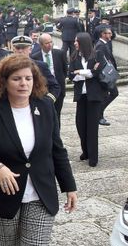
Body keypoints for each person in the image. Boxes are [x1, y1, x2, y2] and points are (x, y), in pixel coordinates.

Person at [0, 53, 78, 246]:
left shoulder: (46, 107)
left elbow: (57, 149)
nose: (24, 83)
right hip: (4, 196)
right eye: (17, 79)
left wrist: (70, 186)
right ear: (4, 81)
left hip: (40, 194)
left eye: (28, 78)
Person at [69, 32, 108, 167]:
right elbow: (71, 75)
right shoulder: (74, 56)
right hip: (81, 95)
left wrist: (80, 72)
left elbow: (97, 73)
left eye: (76, 41)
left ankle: (93, 156)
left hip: (94, 96)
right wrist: (86, 72)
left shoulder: (97, 54)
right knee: (80, 125)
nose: (74, 43)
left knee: (92, 127)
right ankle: (85, 151)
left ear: (83, 42)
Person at [31, 33, 68, 125]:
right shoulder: (35, 57)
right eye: (47, 43)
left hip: (58, 89)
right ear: (41, 44)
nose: (50, 44)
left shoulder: (59, 54)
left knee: (57, 114)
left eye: (51, 42)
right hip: (43, 90)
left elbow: (64, 70)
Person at [11, 35, 60, 102]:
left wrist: (48, 101)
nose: (20, 51)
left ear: (30, 50)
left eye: (23, 48)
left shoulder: (40, 66)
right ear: (13, 50)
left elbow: (55, 87)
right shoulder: (7, 67)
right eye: (17, 48)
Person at [96, 27, 118, 126]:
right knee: (113, 93)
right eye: (108, 33)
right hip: (105, 75)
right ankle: (98, 115)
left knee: (109, 94)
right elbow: (101, 62)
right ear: (102, 34)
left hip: (108, 74)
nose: (111, 35)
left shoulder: (105, 44)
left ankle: (99, 115)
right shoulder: (100, 45)